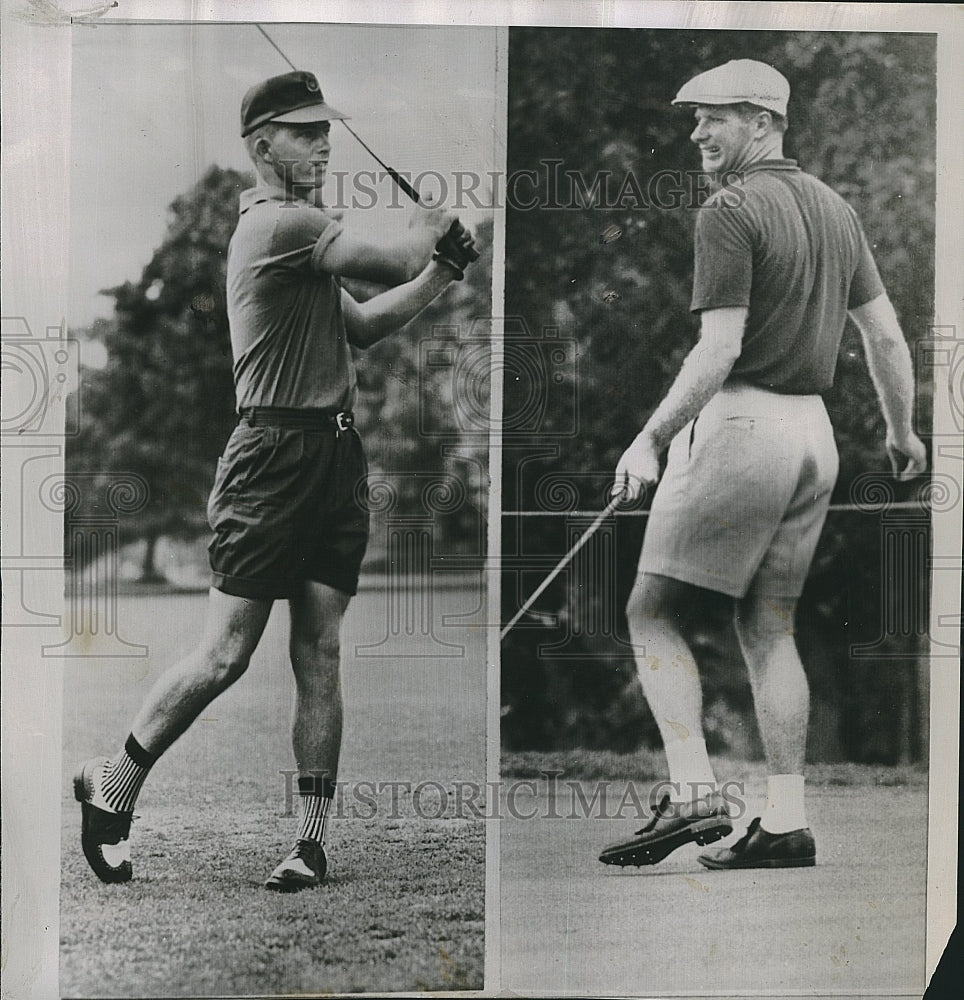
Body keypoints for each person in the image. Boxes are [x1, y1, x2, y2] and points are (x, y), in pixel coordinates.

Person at [74, 70, 477, 891]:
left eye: (326, 128)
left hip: (334, 456)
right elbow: (394, 250)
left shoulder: (306, 242)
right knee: (226, 654)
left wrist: (442, 273)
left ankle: (311, 843)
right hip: (268, 460)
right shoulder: (280, 225)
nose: (325, 142)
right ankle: (110, 781)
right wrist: (432, 229)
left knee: (320, 652)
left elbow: (362, 327)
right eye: (306, 132)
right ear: (264, 147)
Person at [599, 59, 926, 870]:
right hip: (815, 439)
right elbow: (885, 337)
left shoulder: (730, 207)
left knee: (651, 612)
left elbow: (720, 348)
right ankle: (784, 821)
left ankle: (692, 791)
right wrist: (902, 436)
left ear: (764, 123)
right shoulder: (835, 208)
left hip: (744, 421)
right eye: (695, 119)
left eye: (714, 117)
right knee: (767, 624)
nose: (697, 134)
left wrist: (648, 436)